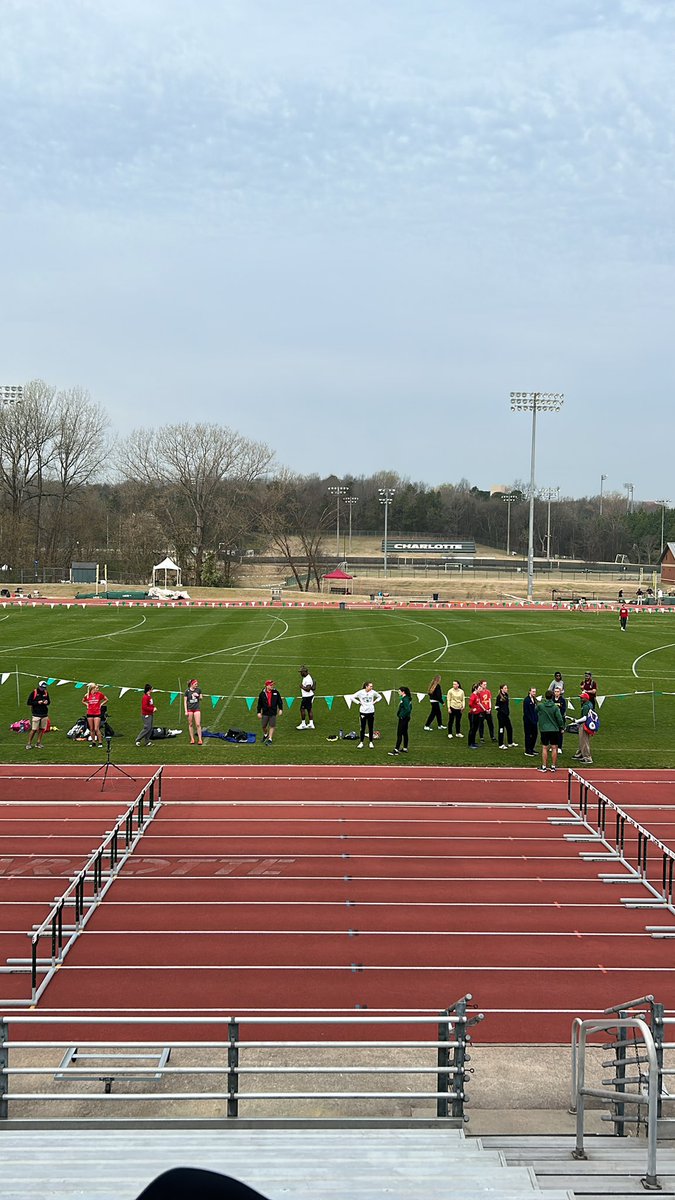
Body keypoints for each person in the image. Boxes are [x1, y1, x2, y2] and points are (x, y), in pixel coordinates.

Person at [537, 689, 564, 772]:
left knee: (544, 748)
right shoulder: (555, 707)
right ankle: (553, 766)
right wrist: (561, 727)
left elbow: (535, 711)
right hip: (554, 729)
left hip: (544, 729)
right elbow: (559, 718)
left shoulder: (541, 706)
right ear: (552, 697)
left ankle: (544, 766)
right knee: (554, 747)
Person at [353, 681, 382, 748]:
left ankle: (371, 742)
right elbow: (352, 697)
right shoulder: (360, 692)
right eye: (370, 686)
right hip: (363, 712)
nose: (372, 687)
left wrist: (375, 701)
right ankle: (361, 742)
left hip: (371, 711)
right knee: (362, 728)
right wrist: (359, 702)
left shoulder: (373, 692)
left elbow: (379, 697)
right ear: (366, 686)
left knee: (370, 727)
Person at [256, 680, 284, 746]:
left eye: (272, 685)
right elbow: (259, 704)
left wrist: (280, 709)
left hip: (273, 712)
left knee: (272, 725)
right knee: (263, 726)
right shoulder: (262, 694)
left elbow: (279, 701)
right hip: (265, 712)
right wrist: (258, 712)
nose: (272, 686)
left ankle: (270, 739)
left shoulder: (276, 692)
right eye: (271, 685)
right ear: (267, 686)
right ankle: (266, 734)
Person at [26, 680, 50, 750]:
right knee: (33, 729)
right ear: (39, 686)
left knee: (42, 729)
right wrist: (37, 702)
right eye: (42, 687)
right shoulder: (34, 692)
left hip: (44, 713)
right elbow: (29, 702)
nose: (43, 689)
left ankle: (38, 743)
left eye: (44, 687)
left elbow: (49, 702)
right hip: (36, 714)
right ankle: (29, 743)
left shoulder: (46, 693)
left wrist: (46, 702)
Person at [573, 690, 595, 765]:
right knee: (582, 740)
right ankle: (580, 754)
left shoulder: (586, 706)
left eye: (582, 698)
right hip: (588, 724)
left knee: (584, 741)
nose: (581, 699)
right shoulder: (590, 704)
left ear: (586, 699)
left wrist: (577, 721)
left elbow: (585, 717)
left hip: (584, 724)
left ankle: (587, 758)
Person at [83, 682, 108, 747]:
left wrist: (101, 704)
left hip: (97, 713)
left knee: (96, 728)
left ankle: (100, 743)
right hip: (90, 713)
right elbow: (83, 701)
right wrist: (87, 704)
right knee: (91, 729)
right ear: (92, 688)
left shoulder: (99, 694)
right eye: (96, 688)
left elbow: (106, 699)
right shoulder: (87, 695)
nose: (98, 689)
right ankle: (93, 742)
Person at [389, 686, 412, 755]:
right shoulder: (407, 698)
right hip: (406, 718)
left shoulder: (405, 699)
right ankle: (405, 748)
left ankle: (396, 749)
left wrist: (402, 715)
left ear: (403, 692)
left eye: (399, 691)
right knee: (405, 733)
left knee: (399, 733)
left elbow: (408, 709)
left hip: (403, 718)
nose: (398, 692)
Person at [495, 683, 517, 749]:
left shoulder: (506, 695)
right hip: (501, 716)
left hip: (506, 716)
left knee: (509, 728)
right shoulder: (499, 697)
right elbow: (496, 707)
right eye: (505, 688)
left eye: (506, 688)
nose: (507, 689)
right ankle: (500, 744)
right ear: (502, 689)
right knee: (501, 729)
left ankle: (510, 742)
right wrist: (502, 711)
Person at [184, 679, 203, 745]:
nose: (197, 685)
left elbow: (201, 698)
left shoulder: (198, 690)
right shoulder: (187, 691)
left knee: (198, 724)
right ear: (192, 684)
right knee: (191, 724)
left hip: (196, 708)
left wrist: (197, 696)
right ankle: (192, 739)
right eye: (195, 684)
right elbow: (185, 701)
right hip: (190, 709)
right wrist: (186, 711)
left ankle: (200, 739)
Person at [523, 686, 539, 757]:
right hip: (528, 722)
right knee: (528, 736)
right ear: (529, 692)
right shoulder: (526, 700)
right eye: (533, 691)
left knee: (535, 735)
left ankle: (532, 748)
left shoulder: (534, 699)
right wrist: (531, 720)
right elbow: (526, 712)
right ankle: (527, 750)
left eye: (535, 692)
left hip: (534, 721)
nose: (534, 693)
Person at [467, 683, 482, 750]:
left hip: (477, 714)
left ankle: (473, 742)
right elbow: (470, 704)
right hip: (473, 714)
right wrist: (473, 708)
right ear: (476, 689)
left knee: (475, 729)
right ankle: (470, 743)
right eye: (479, 688)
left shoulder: (477, 695)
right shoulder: (473, 695)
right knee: (472, 729)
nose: (480, 689)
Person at [553, 685, 567, 755]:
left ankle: (559, 747)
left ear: (560, 692)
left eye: (558, 692)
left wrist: (559, 716)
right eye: (555, 691)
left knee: (560, 733)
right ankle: (553, 746)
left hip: (560, 719)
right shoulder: (552, 699)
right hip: (553, 719)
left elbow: (563, 710)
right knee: (553, 733)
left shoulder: (563, 700)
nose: (556, 693)